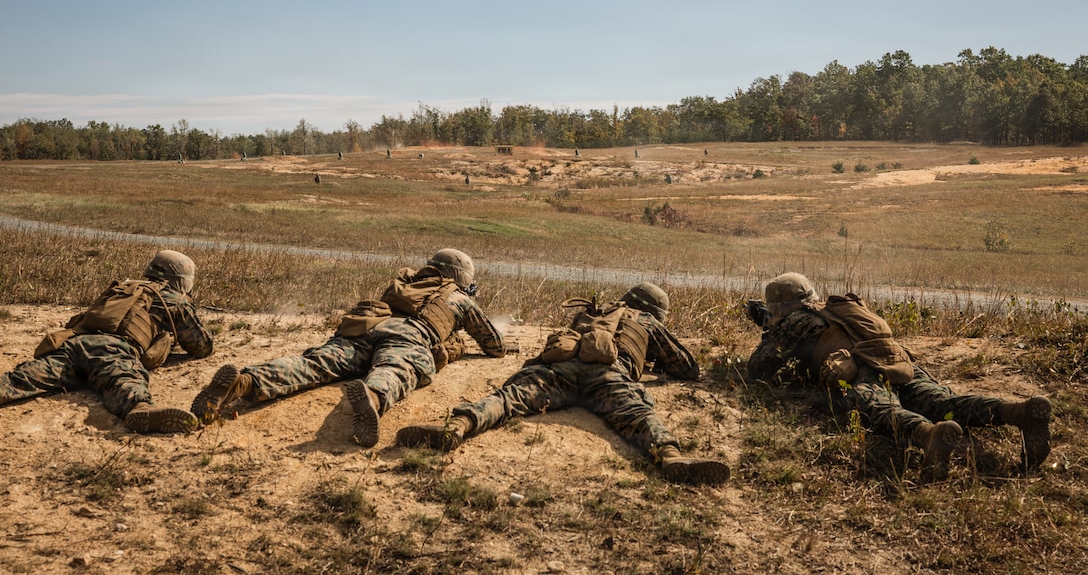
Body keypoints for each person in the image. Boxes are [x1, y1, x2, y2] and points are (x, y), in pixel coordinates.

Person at [395, 283, 732, 486]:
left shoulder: (592, 314)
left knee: (508, 399)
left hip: (557, 370)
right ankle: (671, 458)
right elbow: (687, 368)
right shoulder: (644, 320)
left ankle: (458, 425)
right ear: (655, 311)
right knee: (639, 415)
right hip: (609, 376)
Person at [745, 272, 1053, 480]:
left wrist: (768, 328)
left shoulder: (797, 319)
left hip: (864, 367)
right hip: (898, 359)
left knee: (875, 406)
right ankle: (1017, 411)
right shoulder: (838, 309)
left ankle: (927, 435)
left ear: (780, 304)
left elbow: (758, 368)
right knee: (941, 400)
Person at [191, 249, 507, 448]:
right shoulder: (459, 298)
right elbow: (494, 345)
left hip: (368, 326)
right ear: (461, 279)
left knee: (314, 363)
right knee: (394, 370)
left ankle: (243, 382)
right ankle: (372, 396)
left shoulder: (407, 280)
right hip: (410, 338)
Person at [0, 250, 213, 434]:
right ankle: (140, 409)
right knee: (124, 379)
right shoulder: (172, 299)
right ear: (182, 280)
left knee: (24, 377)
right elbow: (201, 345)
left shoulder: (123, 287)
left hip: (75, 344)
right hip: (113, 349)